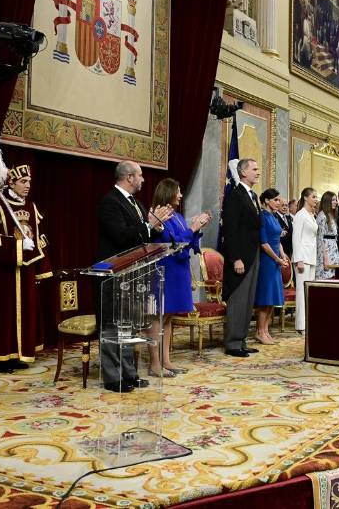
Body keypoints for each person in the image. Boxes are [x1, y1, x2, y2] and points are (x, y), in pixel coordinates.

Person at [96, 160, 173, 392]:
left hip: (134, 275)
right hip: (114, 275)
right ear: (129, 177)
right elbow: (120, 236)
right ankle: (113, 378)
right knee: (113, 326)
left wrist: (156, 227)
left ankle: (129, 374)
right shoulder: (110, 202)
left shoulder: (137, 203)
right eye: (140, 175)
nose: (143, 179)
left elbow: (142, 236)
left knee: (129, 327)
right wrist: (149, 224)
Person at [0, 164, 53, 371]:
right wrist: (17, 246)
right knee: (3, 314)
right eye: (23, 182)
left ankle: (17, 355)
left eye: (29, 182)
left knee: (25, 313)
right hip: (3, 273)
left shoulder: (31, 206)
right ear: (12, 183)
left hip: (26, 270)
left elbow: (39, 237)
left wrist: (41, 266)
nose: (28, 186)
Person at [149, 179, 208, 373]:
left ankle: (166, 360)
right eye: (178, 191)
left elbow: (188, 242)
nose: (181, 195)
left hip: (180, 269)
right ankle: (154, 364)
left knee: (169, 317)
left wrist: (197, 229)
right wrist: (192, 229)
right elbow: (171, 243)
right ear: (168, 192)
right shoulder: (158, 215)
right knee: (159, 315)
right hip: (166, 270)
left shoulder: (178, 216)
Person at [221, 159, 263, 357]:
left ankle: (241, 340)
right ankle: (232, 343)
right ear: (243, 172)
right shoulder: (235, 195)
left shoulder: (252, 195)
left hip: (253, 253)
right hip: (241, 257)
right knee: (238, 299)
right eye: (254, 169)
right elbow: (230, 230)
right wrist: (235, 258)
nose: (258, 172)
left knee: (248, 300)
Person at [255, 188, 288, 345]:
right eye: (276, 200)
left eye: (279, 200)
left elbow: (277, 240)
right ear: (267, 201)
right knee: (265, 298)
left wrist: (283, 255)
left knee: (272, 298)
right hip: (267, 261)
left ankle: (265, 330)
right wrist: (277, 259)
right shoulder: (262, 216)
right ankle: (260, 332)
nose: (279, 202)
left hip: (275, 260)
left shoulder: (274, 216)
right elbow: (264, 243)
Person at [292, 188, 319, 334]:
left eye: (316, 197)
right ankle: (301, 325)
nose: (316, 199)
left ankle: (308, 323)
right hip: (302, 258)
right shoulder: (300, 215)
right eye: (313, 197)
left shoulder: (311, 215)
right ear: (305, 198)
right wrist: (299, 260)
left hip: (311, 257)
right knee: (301, 292)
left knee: (309, 291)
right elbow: (296, 238)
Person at [315, 191, 339, 280]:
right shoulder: (322, 216)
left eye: (336, 200)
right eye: (333, 200)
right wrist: (325, 259)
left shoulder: (331, 215)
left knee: (333, 278)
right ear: (327, 201)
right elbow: (320, 239)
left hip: (333, 249)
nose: (336, 202)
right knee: (325, 278)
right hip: (326, 252)